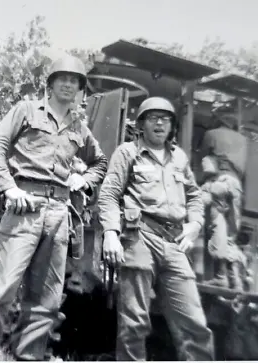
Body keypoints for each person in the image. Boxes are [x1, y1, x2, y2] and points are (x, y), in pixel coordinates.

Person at [0, 54, 108, 361]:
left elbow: (100, 162)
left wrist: (84, 181)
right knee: (2, 288)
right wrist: (8, 187)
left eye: (75, 81)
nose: (69, 85)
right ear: (51, 84)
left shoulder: (79, 128)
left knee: (47, 299)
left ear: (80, 89)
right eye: (63, 79)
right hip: (24, 208)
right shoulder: (27, 111)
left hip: (59, 214)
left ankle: (28, 357)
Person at [98, 97, 214, 361]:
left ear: (172, 125)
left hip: (174, 244)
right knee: (134, 321)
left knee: (194, 322)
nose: (159, 122)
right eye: (152, 117)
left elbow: (195, 196)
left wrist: (195, 224)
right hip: (139, 238)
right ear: (141, 124)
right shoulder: (127, 152)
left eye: (165, 118)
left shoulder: (179, 158)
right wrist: (111, 233)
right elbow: (109, 195)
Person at [200, 106, 248, 289]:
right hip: (236, 186)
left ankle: (220, 276)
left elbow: (202, 159)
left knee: (217, 226)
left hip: (219, 182)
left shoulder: (212, 134)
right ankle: (235, 280)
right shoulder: (243, 140)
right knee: (230, 235)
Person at [200, 154, 246, 290]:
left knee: (222, 242)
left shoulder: (221, 182)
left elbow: (209, 196)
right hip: (218, 217)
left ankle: (223, 278)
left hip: (219, 218)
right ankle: (235, 282)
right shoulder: (217, 182)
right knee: (226, 242)